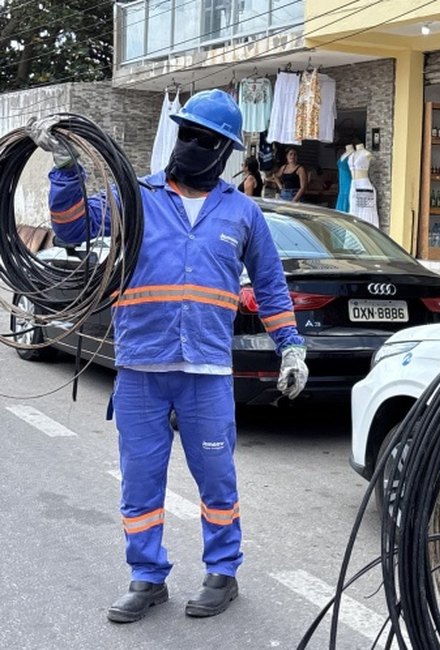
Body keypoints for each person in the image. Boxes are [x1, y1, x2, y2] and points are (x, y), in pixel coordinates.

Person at [29, 89, 310, 623]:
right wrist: (65, 168)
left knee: (216, 479)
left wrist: (290, 347)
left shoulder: (242, 212)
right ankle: (147, 577)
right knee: (140, 479)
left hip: (205, 370)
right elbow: (70, 226)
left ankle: (223, 572)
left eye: (206, 139)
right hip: (140, 367)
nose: (192, 145)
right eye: (188, 133)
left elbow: (271, 286)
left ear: (225, 150)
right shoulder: (137, 196)